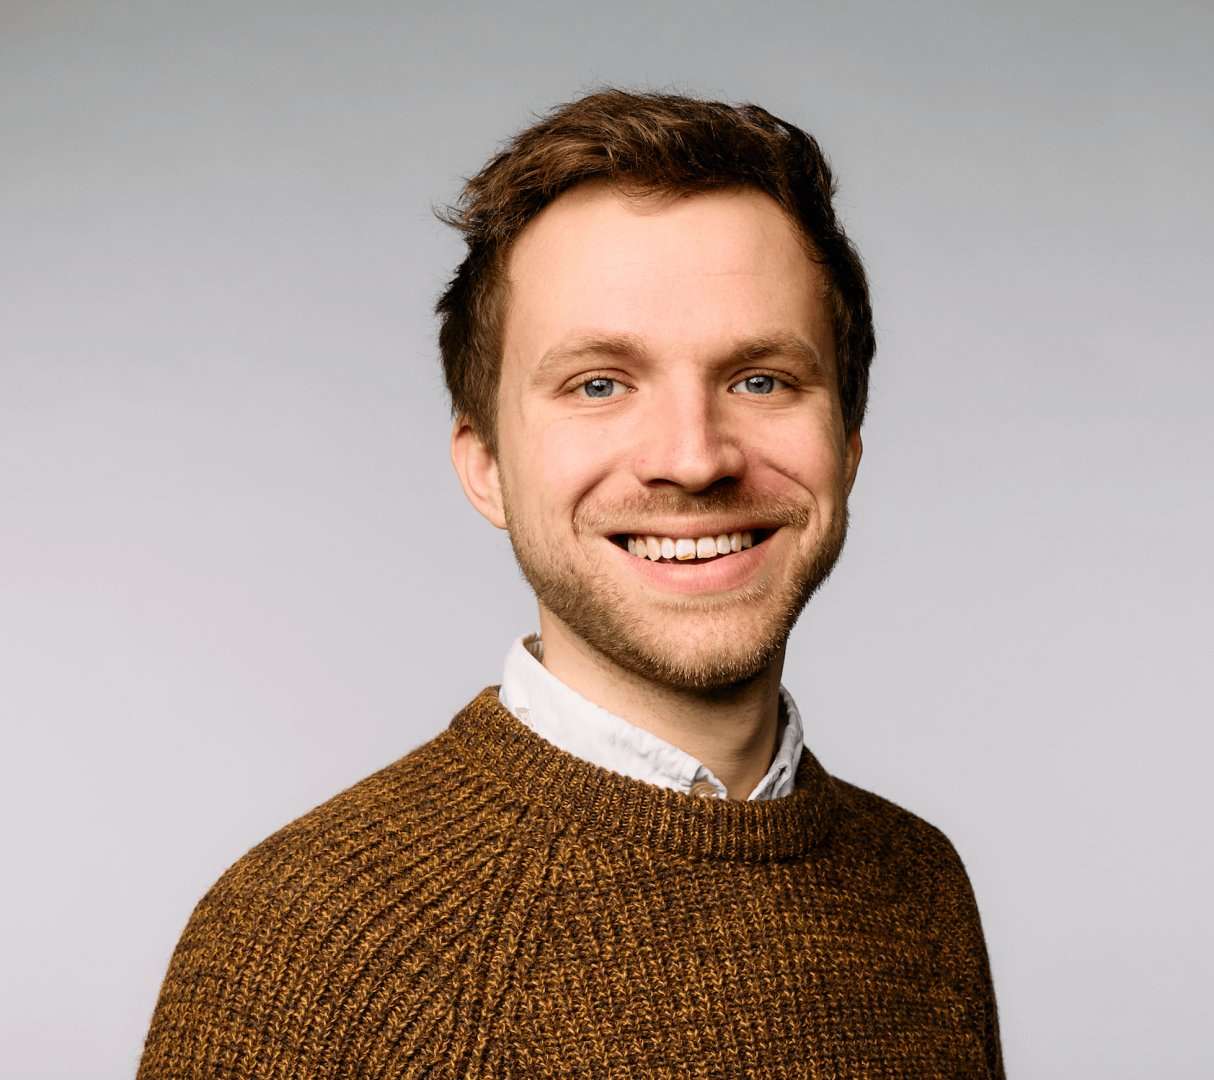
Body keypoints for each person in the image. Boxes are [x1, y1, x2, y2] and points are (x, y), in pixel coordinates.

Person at [138, 88, 1005, 1078]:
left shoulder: (917, 884)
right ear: (485, 466)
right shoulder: (315, 942)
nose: (692, 458)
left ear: (844, 445)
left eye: (759, 379)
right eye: (599, 384)